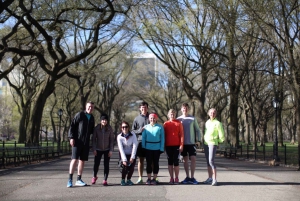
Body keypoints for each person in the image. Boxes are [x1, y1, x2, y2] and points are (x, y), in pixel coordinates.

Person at [67, 101, 95, 187]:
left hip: (85, 142)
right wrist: (71, 137)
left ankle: (79, 179)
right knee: (74, 159)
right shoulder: (80, 115)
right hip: (77, 141)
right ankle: (70, 180)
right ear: (86, 106)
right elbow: (72, 126)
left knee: (82, 160)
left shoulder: (92, 118)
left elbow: (92, 131)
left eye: (92, 107)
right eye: (89, 106)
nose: (90, 108)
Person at [177, 103, 201, 184]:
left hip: (191, 143)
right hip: (183, 144)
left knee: (193, 159)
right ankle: (187, 177)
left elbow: (198, 130)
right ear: (181, 109)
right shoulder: (178, 119)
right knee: (185, 160)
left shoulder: (192, 118)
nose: (185, 110)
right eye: (183, 108)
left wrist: (199, 140)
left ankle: (192, 177)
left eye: (186, 108)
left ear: (188, 109)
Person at [203, 108, 225, 186]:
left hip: (213, 143)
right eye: (211, 113)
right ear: (209, 114)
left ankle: (214, 179)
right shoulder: (207, 122)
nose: (212, 114)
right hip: (206, 143)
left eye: (214, 113)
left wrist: (219, 141)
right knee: (208, 162)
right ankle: (210, 178)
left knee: (211, 161)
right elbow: (206, 132)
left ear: (216, 114)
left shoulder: (218, 123)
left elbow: (221, 134)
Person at [91, 113, 114, 186]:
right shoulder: (97, 128)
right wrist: (94, 149)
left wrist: (111, 150)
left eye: (105, 120)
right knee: (96, 164)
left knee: (106, 165)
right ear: (100, 120)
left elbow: (111, 140)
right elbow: (93, 139)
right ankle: (94, 176)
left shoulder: (110, 128)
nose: (104, 121)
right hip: (98, 149)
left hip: (107, 149)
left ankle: (105, 179)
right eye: (103, 120)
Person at [142, 113, 165, 185]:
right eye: (151, 118)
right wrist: (143, 147)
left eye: (154, 118)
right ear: (149, 119)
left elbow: (162, 138)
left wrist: (162, 148)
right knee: (148, 163)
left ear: (156, 119)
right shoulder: (146, 127)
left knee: (156, 163)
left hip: (157, 148)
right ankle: (149, 178)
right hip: (148, 148)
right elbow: (143, 138)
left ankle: (154, 178)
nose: (152, 119)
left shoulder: (160, 127)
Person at [163, 109, 184, 184]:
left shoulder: (179, 123)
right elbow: (163, 136)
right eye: (171, 113)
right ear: (168, 115)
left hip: (176, 145)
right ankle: (171, 178)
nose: (172, 114)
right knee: (170, 162)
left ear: (175, 114)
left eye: (174, 113)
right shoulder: (165, 124)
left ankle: (176, 178)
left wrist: (181, 145)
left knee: (176, 162)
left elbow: (181, 134)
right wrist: (163, 146)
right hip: (168, 146)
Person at [131, 101, 150, 184]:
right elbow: (132, 131)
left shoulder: (152, 117)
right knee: (140, 160)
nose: (144, 109)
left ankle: (152, 177)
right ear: (140, 108)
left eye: (145, 107)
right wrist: (139, 130)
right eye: (142, 108)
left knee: (151, 161)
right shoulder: (136, 119)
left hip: (150, 142)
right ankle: (140, 177)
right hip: (140, 142)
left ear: (147, 108)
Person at [117, 121, 138, 186]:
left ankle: (129, 179)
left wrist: (132, 157)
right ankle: (123, 180)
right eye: (123, 127)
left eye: (126, 127)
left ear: (128, 127)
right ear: (121, 128)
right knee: (124, 167)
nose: (124, 128)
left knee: (131, 167)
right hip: (124, 153)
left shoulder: (133, 134)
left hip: (131, 152)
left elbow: (135, 145)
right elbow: (121, 148)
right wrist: (124, 159)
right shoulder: (119, 137)